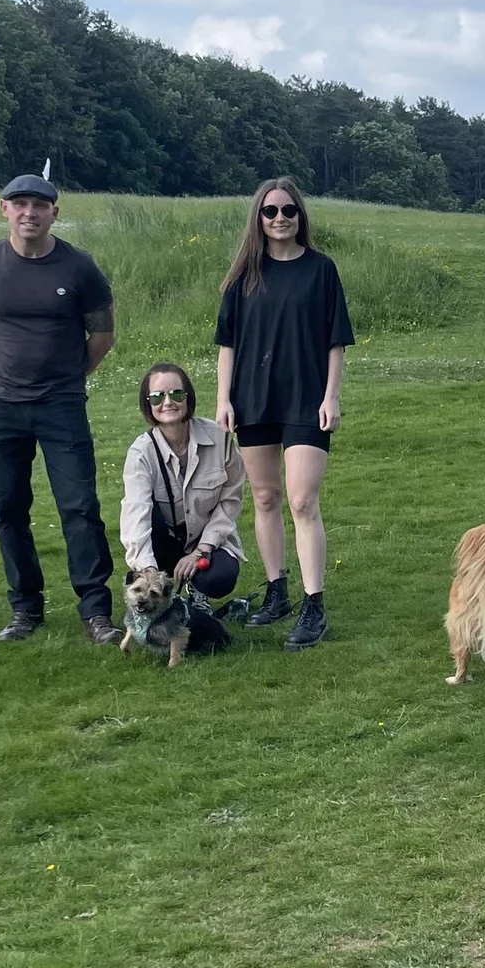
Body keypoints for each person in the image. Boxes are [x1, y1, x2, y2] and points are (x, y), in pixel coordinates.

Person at [0, 172, 119, 644]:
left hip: (61, 406)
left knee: (80, 507)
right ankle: (25, 608)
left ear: (54, 213)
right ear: (3, 209)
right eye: (19, 204)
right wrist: (3, 373)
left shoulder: (79, 268)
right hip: (0, 407)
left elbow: (102, 335)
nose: (30, 212)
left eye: (40, 205)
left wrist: (67, 378)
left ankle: (96, 613)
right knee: (8, 509)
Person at [215, 176, 354, 651]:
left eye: (288, 211)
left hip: (305, 396)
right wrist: (223, 399)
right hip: (254, 397)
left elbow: (336, 340)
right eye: (270, 211)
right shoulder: (243, 276)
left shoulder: (321, 270)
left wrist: (331, 396)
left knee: (301, 500)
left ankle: (313, 605)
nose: (279, 219)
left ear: (300, 216)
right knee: (266, 497)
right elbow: (227, 345)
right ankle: (276, 590)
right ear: (258, 218)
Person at [118, 361, 246, 604]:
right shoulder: (141, 453)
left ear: (188, 398)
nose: (168, 402)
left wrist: (201, 551)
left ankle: (199, 592)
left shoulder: (220, 438)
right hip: (164, 542)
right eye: (157, 397)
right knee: (147, 517)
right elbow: (136, 513)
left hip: (206, 540)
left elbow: (231, 501)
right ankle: (151, 586)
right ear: (148, 404)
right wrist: (147, 570)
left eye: (176, 394)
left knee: (219, 577)